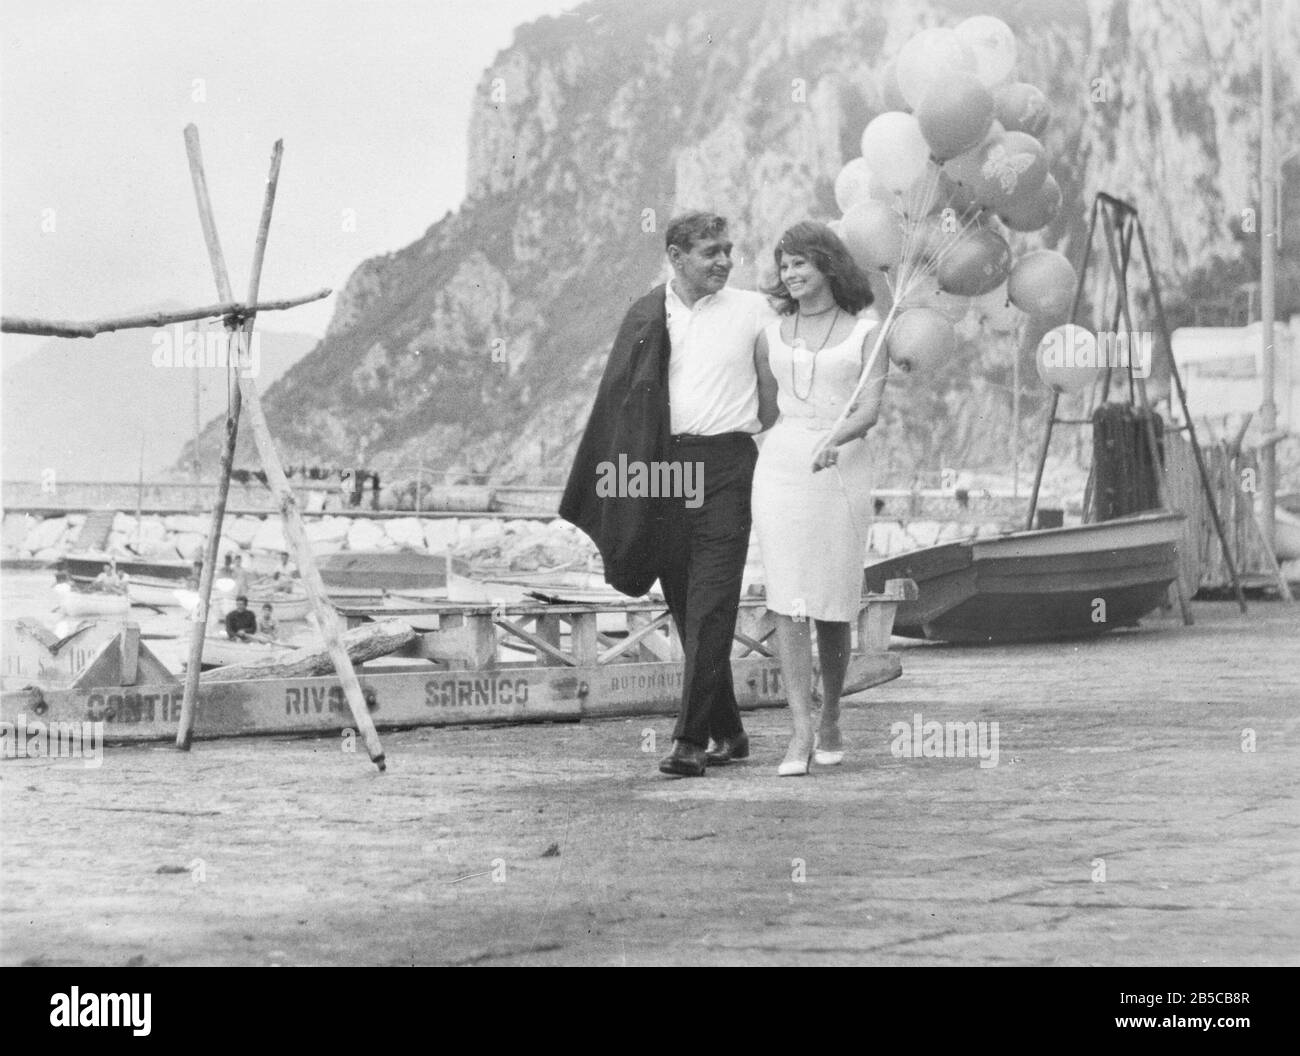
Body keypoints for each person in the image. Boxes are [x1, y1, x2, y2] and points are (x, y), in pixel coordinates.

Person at [561, 211, 777, 777]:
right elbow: (621, 405)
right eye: (711, 251)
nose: (725, 260)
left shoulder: (754, 309)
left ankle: (689, 740)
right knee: (684, 604)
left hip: (728, 465)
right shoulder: (646, 312)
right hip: (665, 470)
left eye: (729, 249)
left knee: (712, 602)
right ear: (677, 258)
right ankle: (730, 731)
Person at [752, 220, 888, 776]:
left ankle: (831, 712)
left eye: (800, 262)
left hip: (842, 467)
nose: (791, 273)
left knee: (832, 600)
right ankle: (799, 730)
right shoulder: (770, 333)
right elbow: (765, 409)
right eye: (784, 265)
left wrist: (838, 438)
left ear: (828, 264)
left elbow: (869, 409)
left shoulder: (868, 330)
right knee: (787, 597)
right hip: (782, 465)